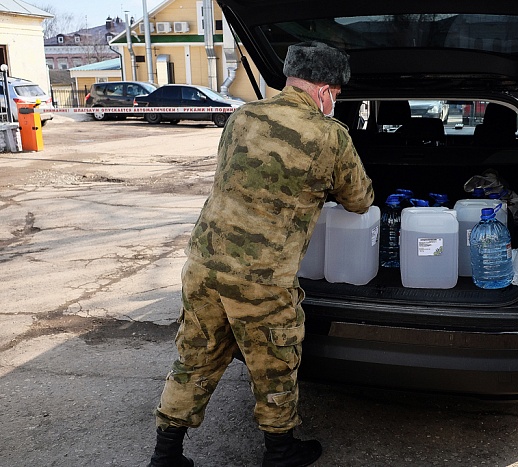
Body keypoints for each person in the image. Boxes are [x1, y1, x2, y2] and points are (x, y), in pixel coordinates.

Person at [148, 41, 374, 467]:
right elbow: (360, 200)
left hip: (204, 265)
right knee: (274, 360)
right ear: (324, 90)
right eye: (337, 95)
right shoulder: (329, 135)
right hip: (261, 278)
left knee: (196, 356)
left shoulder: (241, 117)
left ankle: (166, 454)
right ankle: (281, 450)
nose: (335, 102)